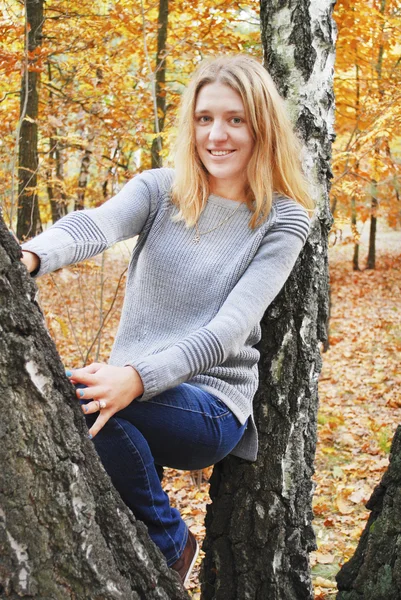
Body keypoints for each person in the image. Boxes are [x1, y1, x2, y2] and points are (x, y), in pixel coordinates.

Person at [21, 55, 313, 586]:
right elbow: (96, 226)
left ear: (262, 126)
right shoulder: (161, 190)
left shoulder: (282, 218)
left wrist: (136, 377)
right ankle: (153, 549)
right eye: (204, 119)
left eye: (235, 119)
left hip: (210, 406)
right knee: (85, 405)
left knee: (73, 396)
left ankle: (169, 540)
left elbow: (229, 329)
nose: (216, 135)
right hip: (132, 395)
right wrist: (28, 258)